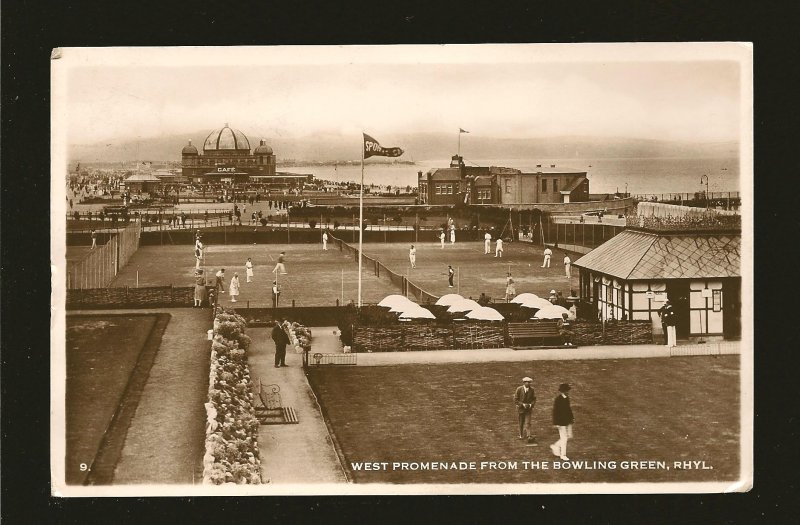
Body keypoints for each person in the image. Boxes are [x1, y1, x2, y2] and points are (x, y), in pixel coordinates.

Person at [550, 383, 574, 461]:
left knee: (569, 436)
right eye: (567, 390)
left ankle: (555, 446)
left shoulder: (567, 398)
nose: (568, 392)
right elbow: (555, 411)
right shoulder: (558, 400)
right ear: (563, 391)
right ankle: (563, 455)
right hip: (561, 422)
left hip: (568, 421)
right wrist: (556, 423)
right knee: (564, 439)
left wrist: (572, 418)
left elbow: (568, 409)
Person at [514, 376, 537, 443]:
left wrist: (530, 405)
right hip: (521, 409)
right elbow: (515, 399)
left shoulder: (532, 390)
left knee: (528, 422)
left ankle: (529, 436)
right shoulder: (519, 389)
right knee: (521, 422)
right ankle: (521, 435)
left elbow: (534, 399)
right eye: (527, 382)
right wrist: (522, 404)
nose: (528, 384)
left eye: (529, 382)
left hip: (528, 409)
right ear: (524, 383)